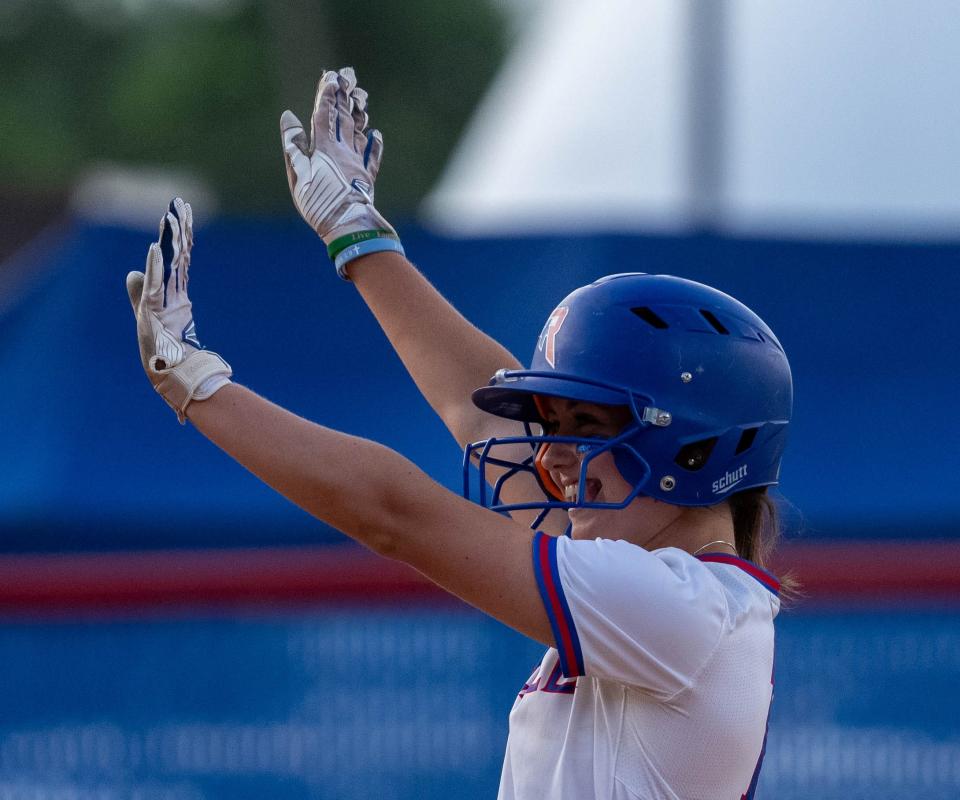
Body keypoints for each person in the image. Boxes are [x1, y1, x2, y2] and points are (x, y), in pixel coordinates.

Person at [126, 68, 792, 800]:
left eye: (591, 428)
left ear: (696, 450)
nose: (557, 459)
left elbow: (393, 513)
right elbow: (486, 415)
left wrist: (203, 392)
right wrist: (359, 236)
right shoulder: (670, 587)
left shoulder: (683, 610)